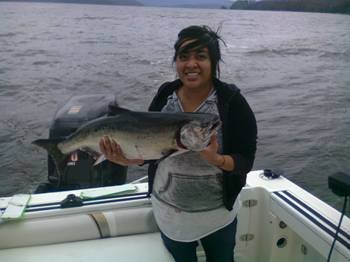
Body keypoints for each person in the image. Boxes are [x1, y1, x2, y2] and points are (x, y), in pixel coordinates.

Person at [99, 25, 257, 262]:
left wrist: (217, 160)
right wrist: (128, 159)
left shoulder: (232, 103)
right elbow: (151, 149)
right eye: (184, 57)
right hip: (170, 213)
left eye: (200, 57)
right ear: (176, 62)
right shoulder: (165, 95)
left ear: (214, 62)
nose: (191, 64)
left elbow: (245, 160)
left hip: (218, 216)